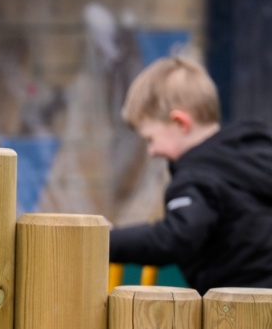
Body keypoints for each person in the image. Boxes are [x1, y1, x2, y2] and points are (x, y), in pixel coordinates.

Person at [109, 55, 272, 293]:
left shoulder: (198, 176)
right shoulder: (255, 156)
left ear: (180, 123)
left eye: (150, 139)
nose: (152, 151)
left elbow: (175, 237)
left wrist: (107, 240)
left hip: (243, 306)